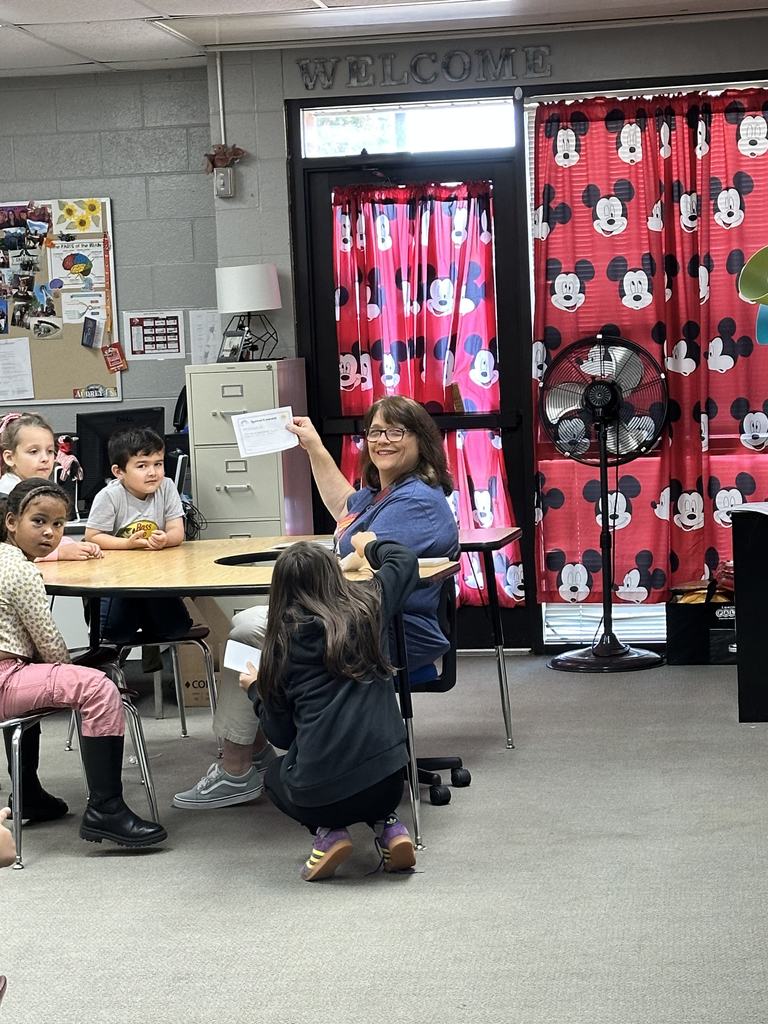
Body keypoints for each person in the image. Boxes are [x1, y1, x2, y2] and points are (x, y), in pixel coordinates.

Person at [173, 395, 458, 810]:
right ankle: (252, 749)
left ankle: (237, 765)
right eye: (375, 431)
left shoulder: (414, 502)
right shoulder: (384, 493)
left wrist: (324, 572)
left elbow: (371, 569)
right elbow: (344, 508)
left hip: (388, 632)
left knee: (248, 629)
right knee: (249, 626)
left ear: (422, 441)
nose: (383, 440)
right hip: (353, 619)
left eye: (396, 431)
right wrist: (314, 446)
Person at [241, 532, 419, 880]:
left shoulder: (280, 646)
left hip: (322, 797)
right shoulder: (370, 606)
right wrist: (367, 545)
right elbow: (405, 561)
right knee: (369, 775)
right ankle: (390, 826)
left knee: (275, 775)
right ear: (335, 574)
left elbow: (282, 735)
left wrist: (255, 691)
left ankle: (329, 833)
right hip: (390, 783)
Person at [0, 478, 166, 847]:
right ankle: (105, 811)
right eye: (39, 522)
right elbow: (50, 648)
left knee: (50, 677)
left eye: (58, 524)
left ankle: (28, 795)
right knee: (98, 688)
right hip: (4, 681)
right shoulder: (22, 571)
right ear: (11, 522)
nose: (50, 533)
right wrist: (81, 667)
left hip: (10, 675)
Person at [84, 426, 192, 645]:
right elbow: (93, 536)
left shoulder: (167, 487)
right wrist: (128, 544)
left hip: (156, 578)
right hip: (117, 580)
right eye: (142, 466)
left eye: (158, 464)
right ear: (119, 472)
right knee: (113, 631)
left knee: (177, 628)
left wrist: (166, 540)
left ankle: (148, 619)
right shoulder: (109, 495)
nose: (153, 472)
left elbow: (177, 531)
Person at [0, 412, 102, 560]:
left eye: (50, 451)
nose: (45, 459)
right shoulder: (5, 498)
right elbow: (8, 550)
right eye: (33, 452)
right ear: (10, 457)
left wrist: (71, 545)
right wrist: (59, 553)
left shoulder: (36, 491)